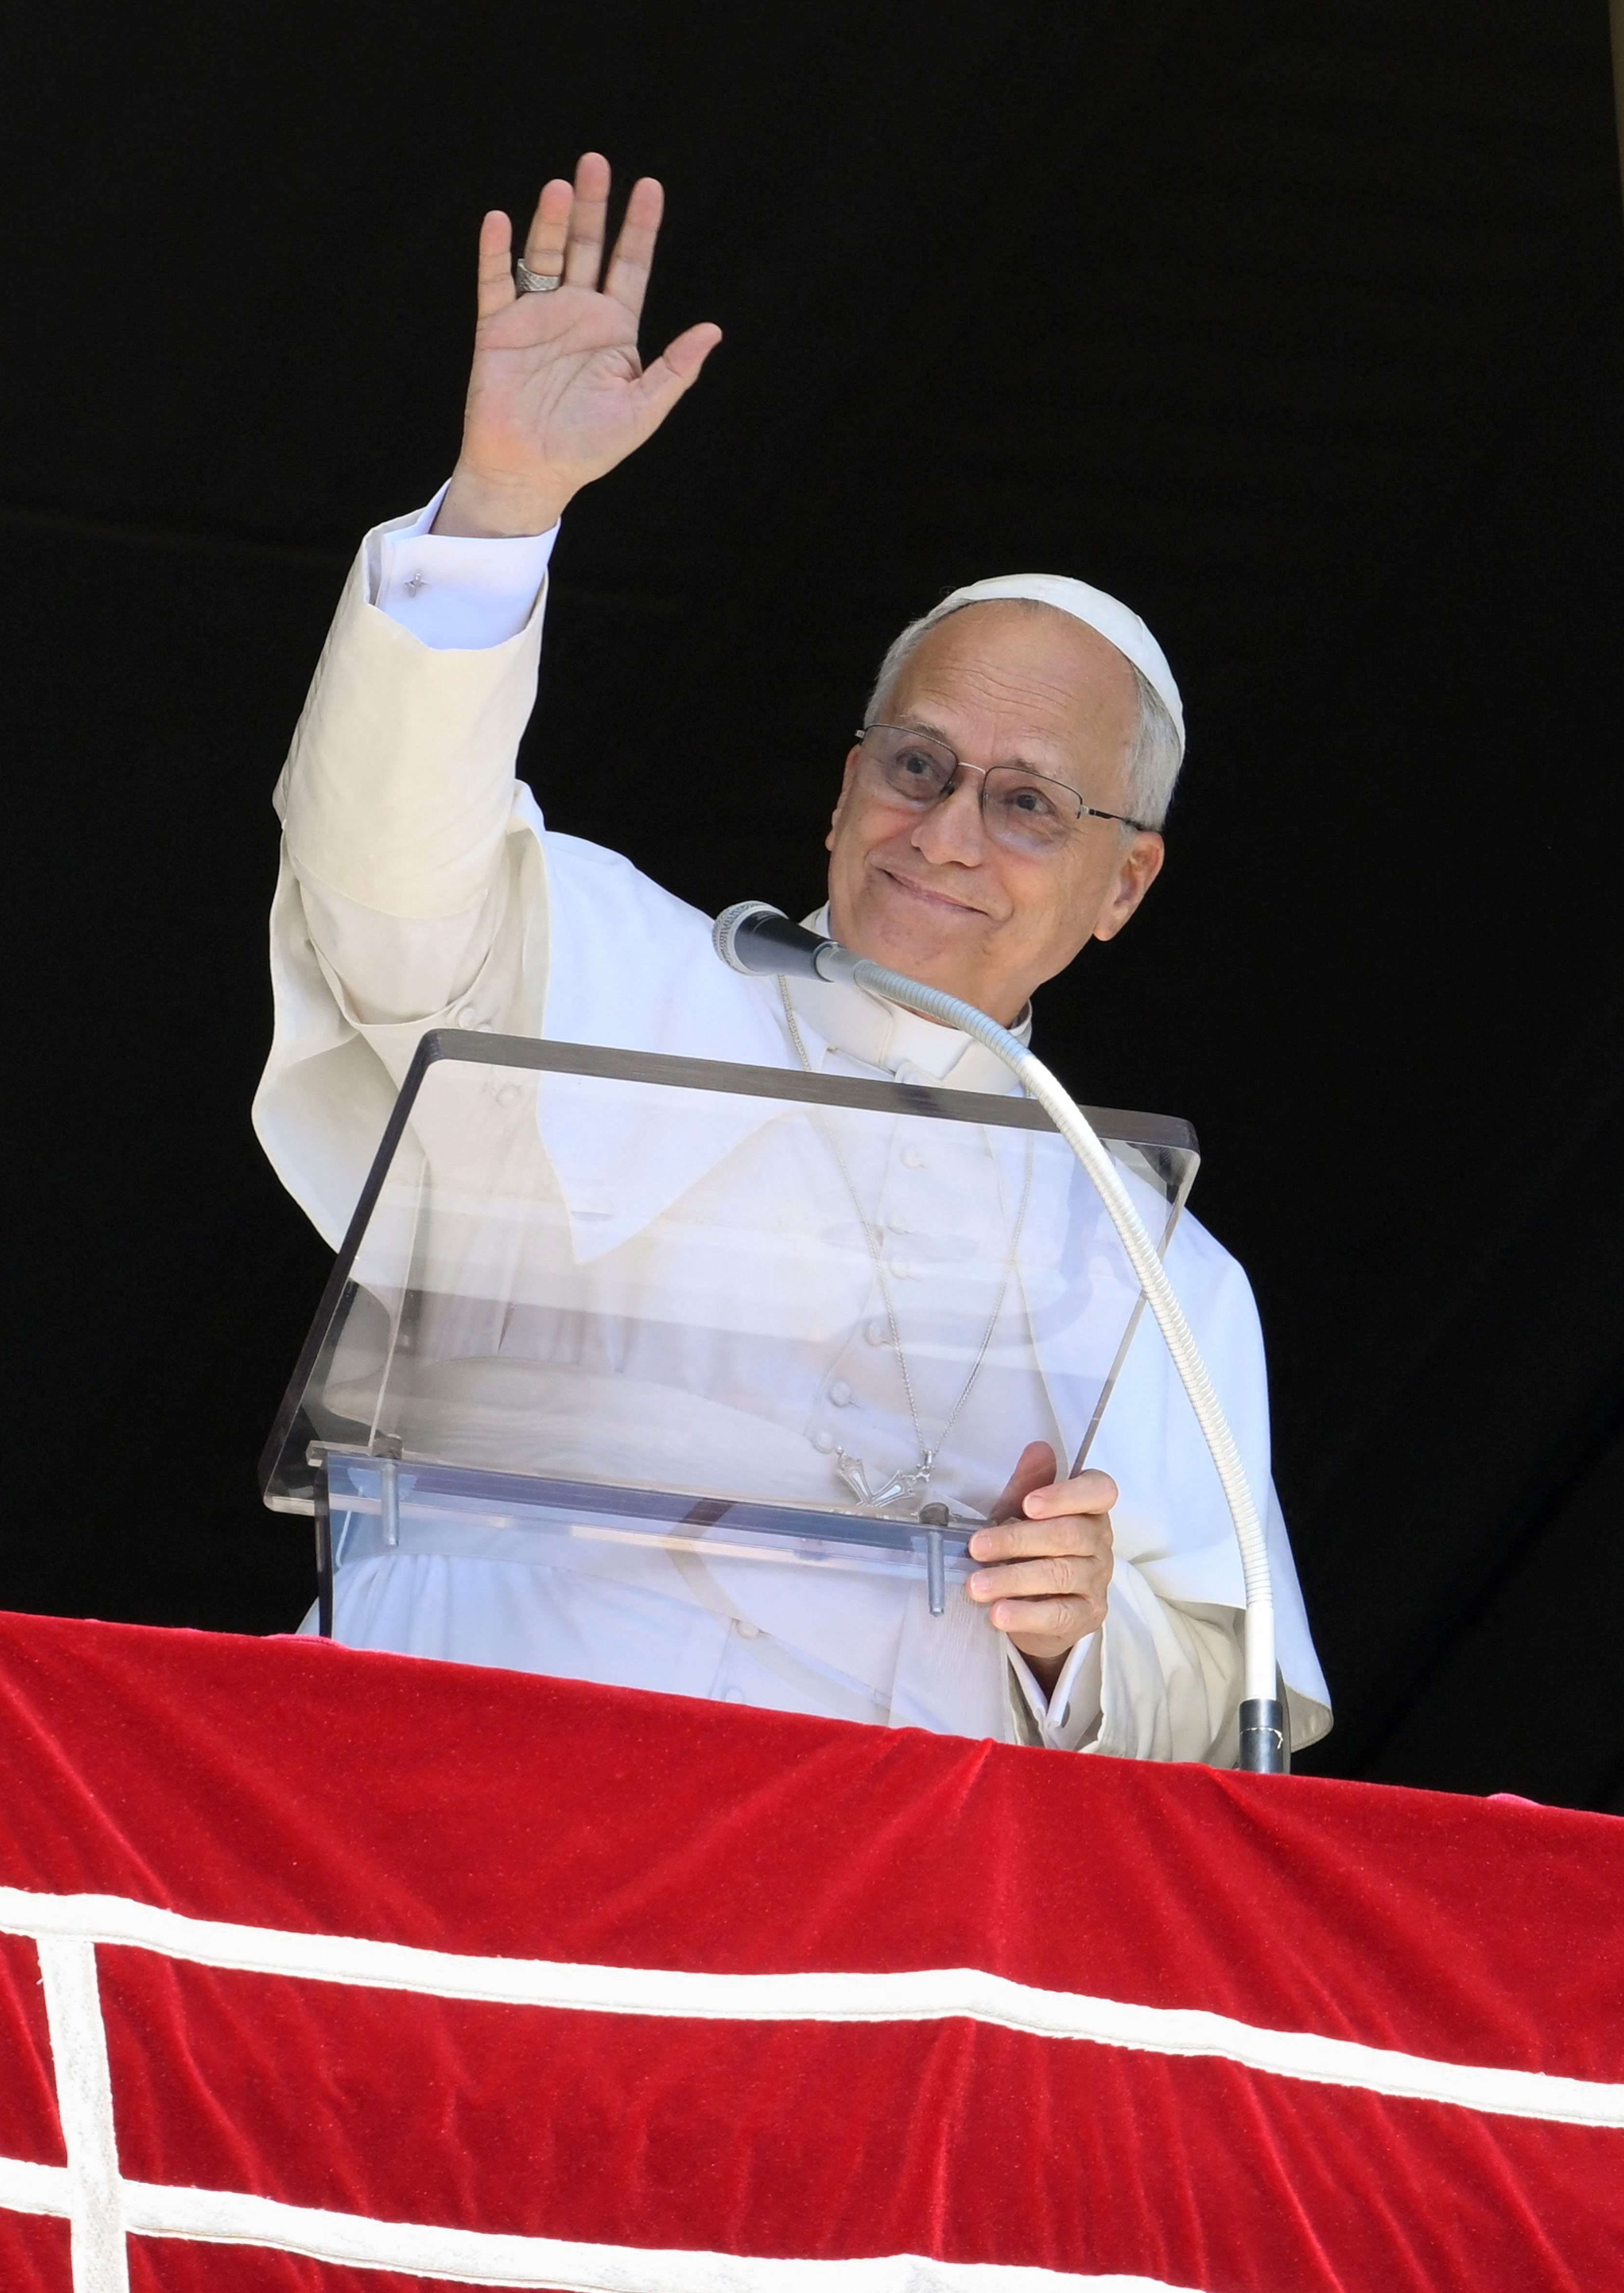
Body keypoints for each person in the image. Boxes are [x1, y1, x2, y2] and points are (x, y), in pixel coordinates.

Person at [256, 153, 1328, 1762]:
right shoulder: (609, 975)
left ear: (1127, 884)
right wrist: (500, 513)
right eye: (917, 765)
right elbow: (377, 882)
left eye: (1029, 804)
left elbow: (1225, 1723)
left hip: (861, 1935)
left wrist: (1082, 1626)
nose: (950, 833)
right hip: (474, 1803)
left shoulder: (1157, 1276)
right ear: (844, 788)